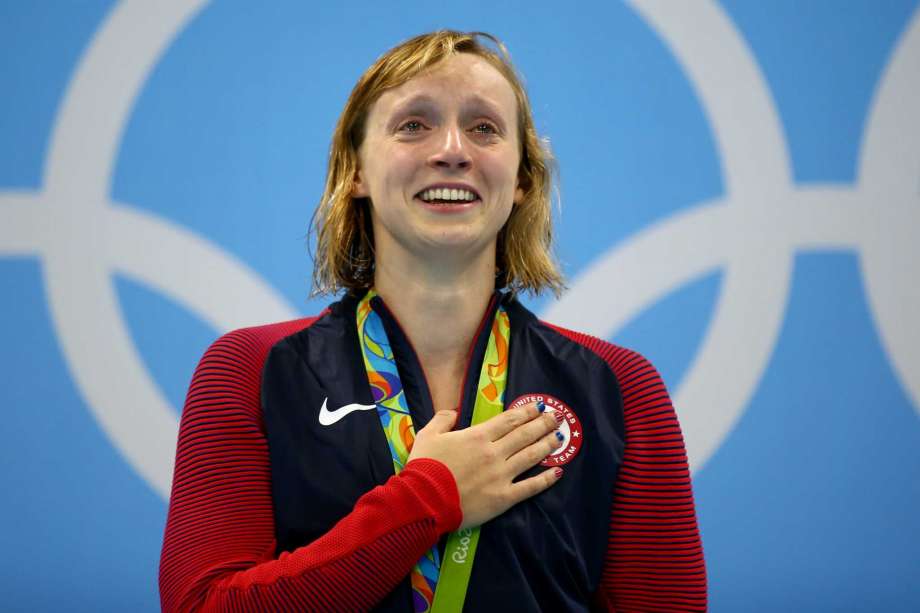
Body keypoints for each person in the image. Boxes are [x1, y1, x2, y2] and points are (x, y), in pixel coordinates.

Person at [159, 30, 707, 612]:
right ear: (356, 172)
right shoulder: (249, 369)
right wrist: (431, 497)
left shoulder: (619, 387)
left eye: (484, 128)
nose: (452, 150)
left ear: (522, 179)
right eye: (413, 125)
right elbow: (203, 605)